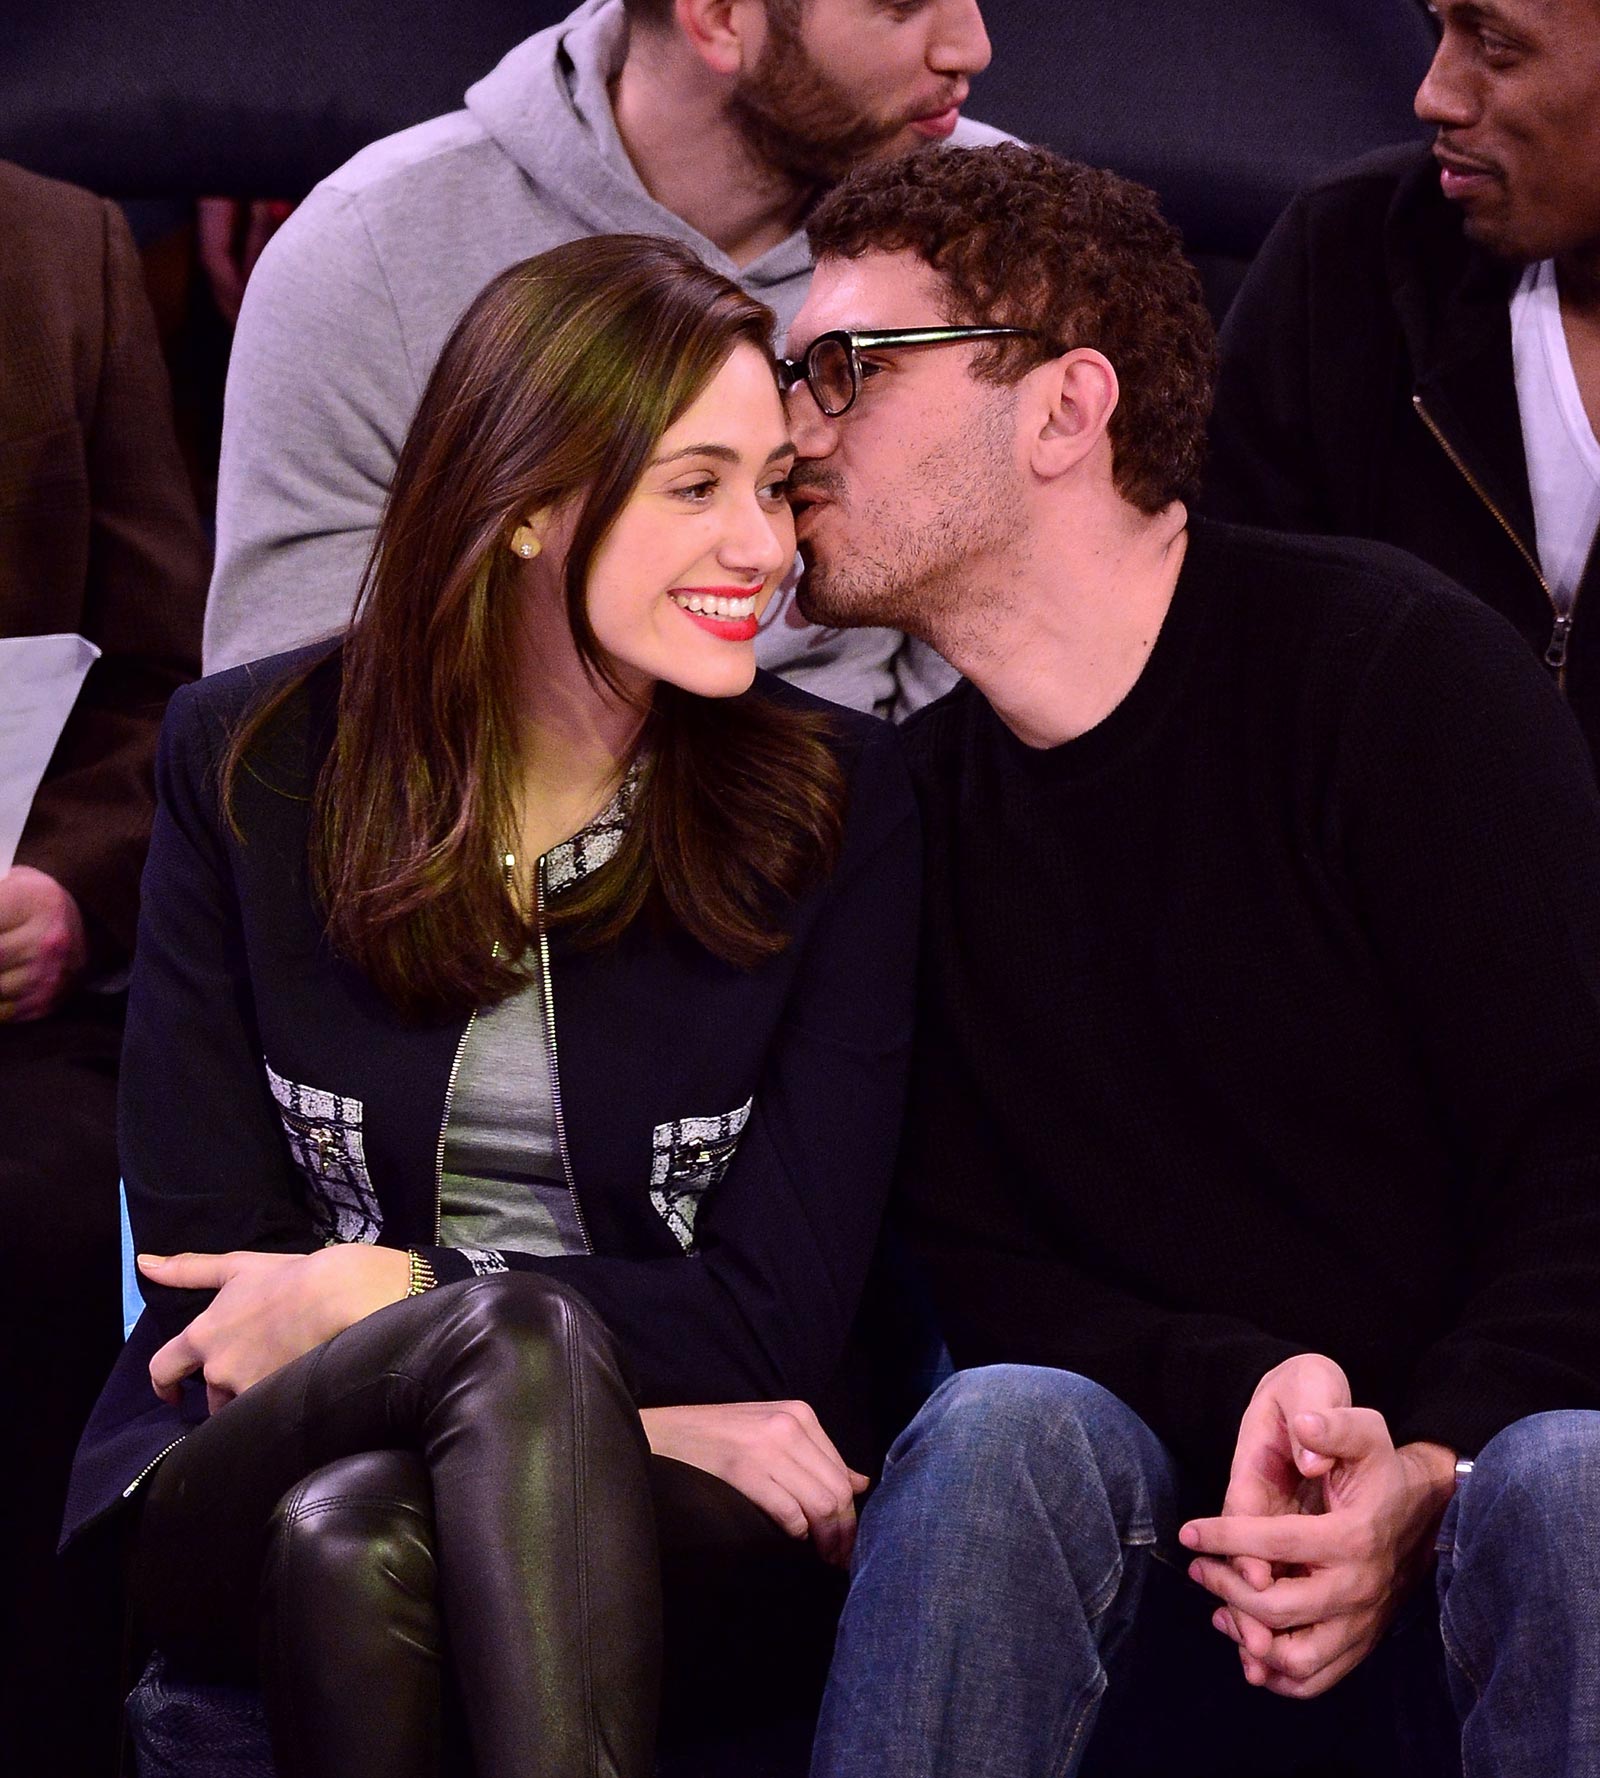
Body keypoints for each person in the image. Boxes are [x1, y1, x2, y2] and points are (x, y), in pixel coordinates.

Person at [774, 142, 1600, 1777]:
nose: (793, 432)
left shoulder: (1390, 674)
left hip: (1483, 1493)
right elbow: (983, 1270)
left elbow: (1583, 1149)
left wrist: (1428, 1455)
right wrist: (1264, 1394)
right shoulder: (901, 823)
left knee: (1571, 1476)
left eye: (849, 370)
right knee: (1004, 1415)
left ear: (1067, 411)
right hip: (1171, 1522)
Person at [64, 233, 919, 1778]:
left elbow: (780, 1307)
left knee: (360, 1542)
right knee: (490, 1360)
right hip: (229, 1460)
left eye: (778, 484)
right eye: (697, 484)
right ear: (527, 500)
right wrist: (612, 1402)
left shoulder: (840, 803)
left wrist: (389, 1292)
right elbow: (214, 1289)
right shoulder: (248, 763)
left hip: (656, 1503)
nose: (764, 545)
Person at [203, 0, 1000, 717]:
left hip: (878, 839)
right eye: (900, 6)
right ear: (720, 17)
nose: (972, 45)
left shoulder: (1002, 237)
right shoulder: (369, 249)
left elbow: (1009, 689)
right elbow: (290, 735)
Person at [0, 158, 207, 1772]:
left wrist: (67, 887)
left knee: (58, 1215)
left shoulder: (55, 249)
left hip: (16, 1028)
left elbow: (161, 676)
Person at [1207, 0, 1600, 760]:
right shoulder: (1348, 253)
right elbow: (1224, 667)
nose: (1434, 95)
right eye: (1439, 29)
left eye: (1494, 44)